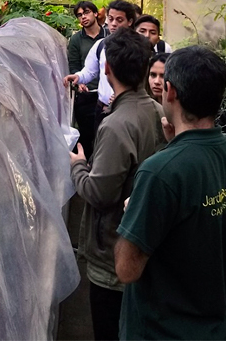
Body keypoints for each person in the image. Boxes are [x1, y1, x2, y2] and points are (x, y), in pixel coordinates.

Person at [115, 46, 226, 340]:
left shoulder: (160, 173)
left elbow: (127, 269)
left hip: (160, 331)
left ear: (170, 91)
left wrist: (134, 211)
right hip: (213, 328)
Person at [69, 29, 164, 340]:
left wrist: (78, 166)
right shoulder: (155, 111)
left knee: (109, 327)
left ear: (107, 69)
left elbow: (99, 193)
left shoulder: (117, 124)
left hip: (112, 252)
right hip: (143, 245)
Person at [64, 0, 138, 132]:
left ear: (130, 21)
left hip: (128, 108)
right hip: (102, 108)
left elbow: (141, 80)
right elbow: (90, 71)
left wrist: (123, 94)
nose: (114, 24)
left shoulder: (138, 47)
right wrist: (78, 77)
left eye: (119, 20)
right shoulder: (101, 45)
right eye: (111, 19)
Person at [67, 0, 107, 159]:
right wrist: (80, 84)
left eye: (87, 12)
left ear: (96, 13)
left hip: (107, 95)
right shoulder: (76, 40)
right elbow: (74, 65)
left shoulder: (108, 36)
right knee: (86, 135)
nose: (83, 17)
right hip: (86, 94)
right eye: (79, 15)